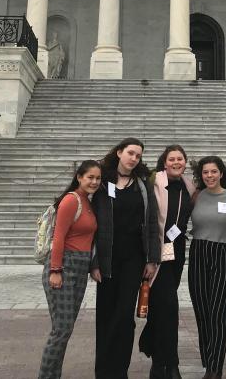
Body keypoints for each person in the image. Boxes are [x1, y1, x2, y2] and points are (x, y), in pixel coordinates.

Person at [90, 137, 161, 379]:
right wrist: (95, 262)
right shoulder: (102, 181)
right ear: (119, 152)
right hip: (108, 259)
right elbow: (93, 224)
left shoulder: (142, 184)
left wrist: (153, 259)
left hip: (134, 259)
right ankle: (104, 371)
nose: (134, 158)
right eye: (130, 153)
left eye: (138, 155)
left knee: (124, 316)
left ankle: (120, 371)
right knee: (106, 315)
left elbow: (152, 222)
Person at [38, 160, 102, 379]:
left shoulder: (89, 201)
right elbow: (59, 236)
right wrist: (56, 270)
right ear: (79, 177)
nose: (94, 182)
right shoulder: (71, 200)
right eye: (90, 177)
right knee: (61, 330)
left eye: (97, 178)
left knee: (65, 330)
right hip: (63, 267)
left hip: (80, 267)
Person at [139, 145, 196, 379]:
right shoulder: (153, 183)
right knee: (169, 307)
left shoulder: (188, 186)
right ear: (164, 162)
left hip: (176, 252)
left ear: (184, 162)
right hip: (155, 251)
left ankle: (156, 356)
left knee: (161, 307)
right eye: (171, 159)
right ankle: (169, 363)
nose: (176, 162)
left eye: (180, 159)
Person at [188, 156, 226, 379]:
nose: (209, 176)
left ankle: (214, 369)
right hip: (199, 252)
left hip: (224, 254)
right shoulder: (196, 196)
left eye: (213, 171)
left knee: (218, 313)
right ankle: (208, 360)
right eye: (205, 172)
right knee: (202, 311)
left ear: (221, 173)